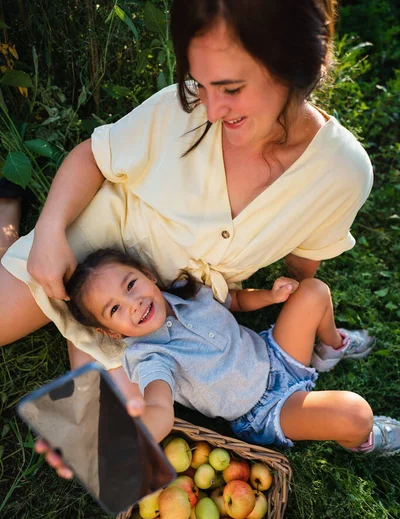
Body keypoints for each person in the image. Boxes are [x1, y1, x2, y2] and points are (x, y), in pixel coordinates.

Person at [1, 1, 373, 399]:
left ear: (296, 67)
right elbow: (93, 156)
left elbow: (307, 252)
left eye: (230, 89)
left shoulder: (342, 173)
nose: (211, 111)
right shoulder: (185, 106)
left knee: (121, 434)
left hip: (167, 314)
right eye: (200, 82)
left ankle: (70, 308)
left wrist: (295, 295)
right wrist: (50, 233)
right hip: (92, 242)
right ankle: (8, 213)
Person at [56, 247, 399, 458]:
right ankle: (363, 439)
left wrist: (270, 297)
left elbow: (233, 301)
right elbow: (158, 402)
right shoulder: (148, 356)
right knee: (355, 414)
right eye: (114, 309)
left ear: (147, 275)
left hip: (274, 354)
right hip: (263, 410)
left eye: (131, 285)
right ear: (109, 331)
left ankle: (329, 348)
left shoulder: (183, 291)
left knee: (313, 290)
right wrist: (140, 435)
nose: (134, 303)